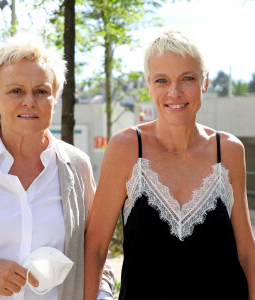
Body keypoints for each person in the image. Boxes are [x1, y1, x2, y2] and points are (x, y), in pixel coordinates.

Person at [84, 28, 255, 300]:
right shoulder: (126, 148)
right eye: (162, 80)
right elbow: (94, 248)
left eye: (187, 78)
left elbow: (247, 253)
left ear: (205, 82)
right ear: (149, 85)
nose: (174, 92)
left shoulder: (229, 150)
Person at [0, 32, 114, 300]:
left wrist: (103, 296)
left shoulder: (77, 166)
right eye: (15, 90)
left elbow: (97, 256)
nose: (29, 101)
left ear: (55, 99)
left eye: (41, 91)